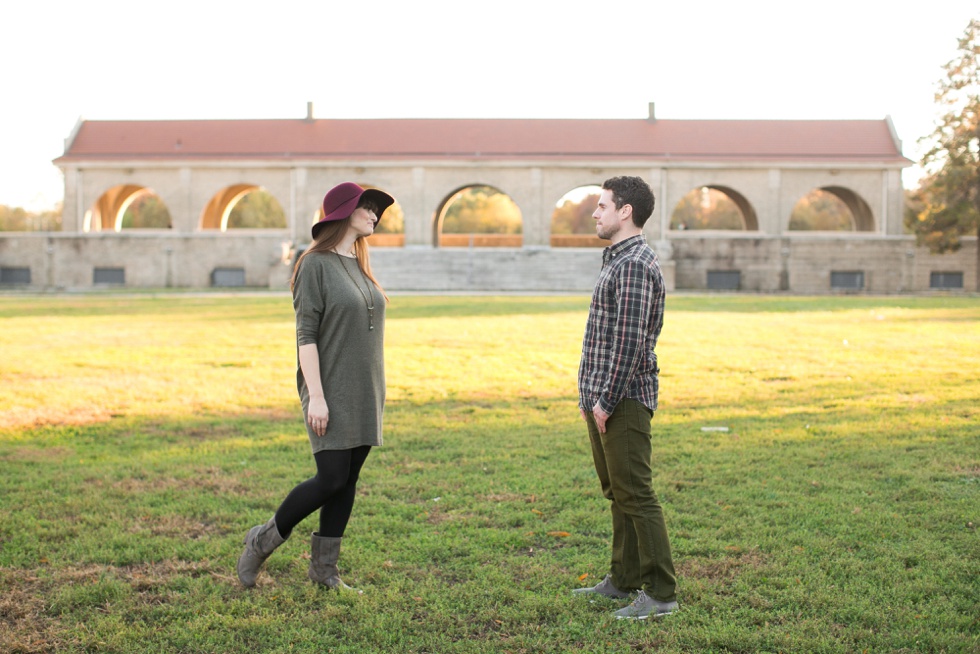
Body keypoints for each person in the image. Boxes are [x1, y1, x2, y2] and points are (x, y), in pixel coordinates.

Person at [237, 181, 394, 592]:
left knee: (348, 480)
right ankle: (262, 540)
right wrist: (317, 397)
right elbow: (306, 335)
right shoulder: (314, 264)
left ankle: (325, 571)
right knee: (329, 478)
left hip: (365, 388)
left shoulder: (358, 262)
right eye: (368, 207)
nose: (375, 214)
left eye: (376, 209)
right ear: (343, 211)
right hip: (329, 388)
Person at [573, 176, 678, 620]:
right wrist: (589, 396)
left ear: (625, 212)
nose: (595, 213)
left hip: (624, 399)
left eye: (602, 205)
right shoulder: (617, 259)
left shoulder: (634, 263)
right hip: (603, 396)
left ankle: (660, 593)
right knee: (618, 493)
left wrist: (605, 401)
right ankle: (622, 580)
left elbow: (630, 343)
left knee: (636, 493)